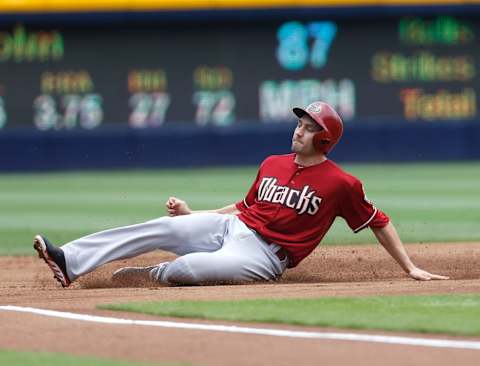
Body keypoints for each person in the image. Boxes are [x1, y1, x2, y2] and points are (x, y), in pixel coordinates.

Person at [34, 101, 449, 288]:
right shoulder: (272, 162)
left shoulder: (341, 184)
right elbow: (246, 207)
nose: (298, 129)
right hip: (233, 227)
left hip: (266, 257)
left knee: (188, 270)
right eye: (300, 123)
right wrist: (196, 216)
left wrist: (409, 267)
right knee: (160, 226)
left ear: (324, 140)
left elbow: (379, 221)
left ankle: (150, 276)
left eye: (308, 127)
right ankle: (69, 259)